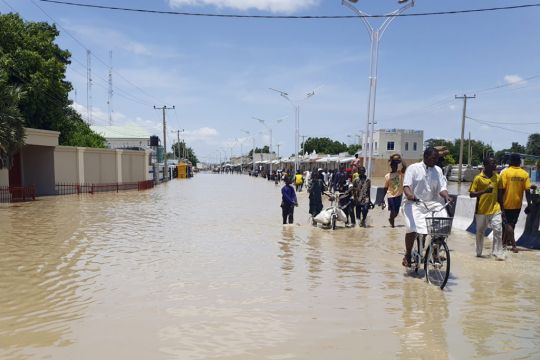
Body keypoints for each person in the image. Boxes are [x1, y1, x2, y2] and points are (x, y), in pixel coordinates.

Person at [402, 147, 452, 267]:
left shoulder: (438, 170)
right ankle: (408, 254)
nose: (435, 161)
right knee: (412, 228)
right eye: (433, 158)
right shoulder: (413, 168)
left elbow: (442, 188)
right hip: (413, 203)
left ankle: (434, 251)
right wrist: (410, 195)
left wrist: (447, 196)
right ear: (425, 156)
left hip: (431, 204)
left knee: (444, 225)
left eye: (437, 158)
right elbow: (406, 186)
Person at [469, 157, 505, 260]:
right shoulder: (478, 178)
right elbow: (471, 194)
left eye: (495, 163)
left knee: (498, 229)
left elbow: (500, 195)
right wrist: (484, 191)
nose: (495, 165)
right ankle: (479, 252)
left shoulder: (498, 177)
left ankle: (497, 253)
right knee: (480, 232)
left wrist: (503, 210)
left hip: (495, 208)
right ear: (486, 165)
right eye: (493, 163)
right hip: (481, 210)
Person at [501, 153, 532, 253]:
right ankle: (504, 244)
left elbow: (501, 189)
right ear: (519, 162)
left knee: (508, 224)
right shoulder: (525, 174)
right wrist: (529, 204)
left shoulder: (505, 173)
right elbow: (528, 191)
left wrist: (499, 203)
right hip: (517, 204)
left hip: (506, 203)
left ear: (510, 161)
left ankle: (513, 245)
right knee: (511, 224)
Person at [384, 154, 407, 228]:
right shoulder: (387, 176)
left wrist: (400, 157)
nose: (395, 167)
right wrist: (381, 199)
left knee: (396, 213)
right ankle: (392, 226)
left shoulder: (400, 173)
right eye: (393, 166)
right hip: (390, 195)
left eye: (396, 166)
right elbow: (385, 188)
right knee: (393, 210)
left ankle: (391, 219)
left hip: (399, 195)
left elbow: (405, 166)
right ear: (391, 166)